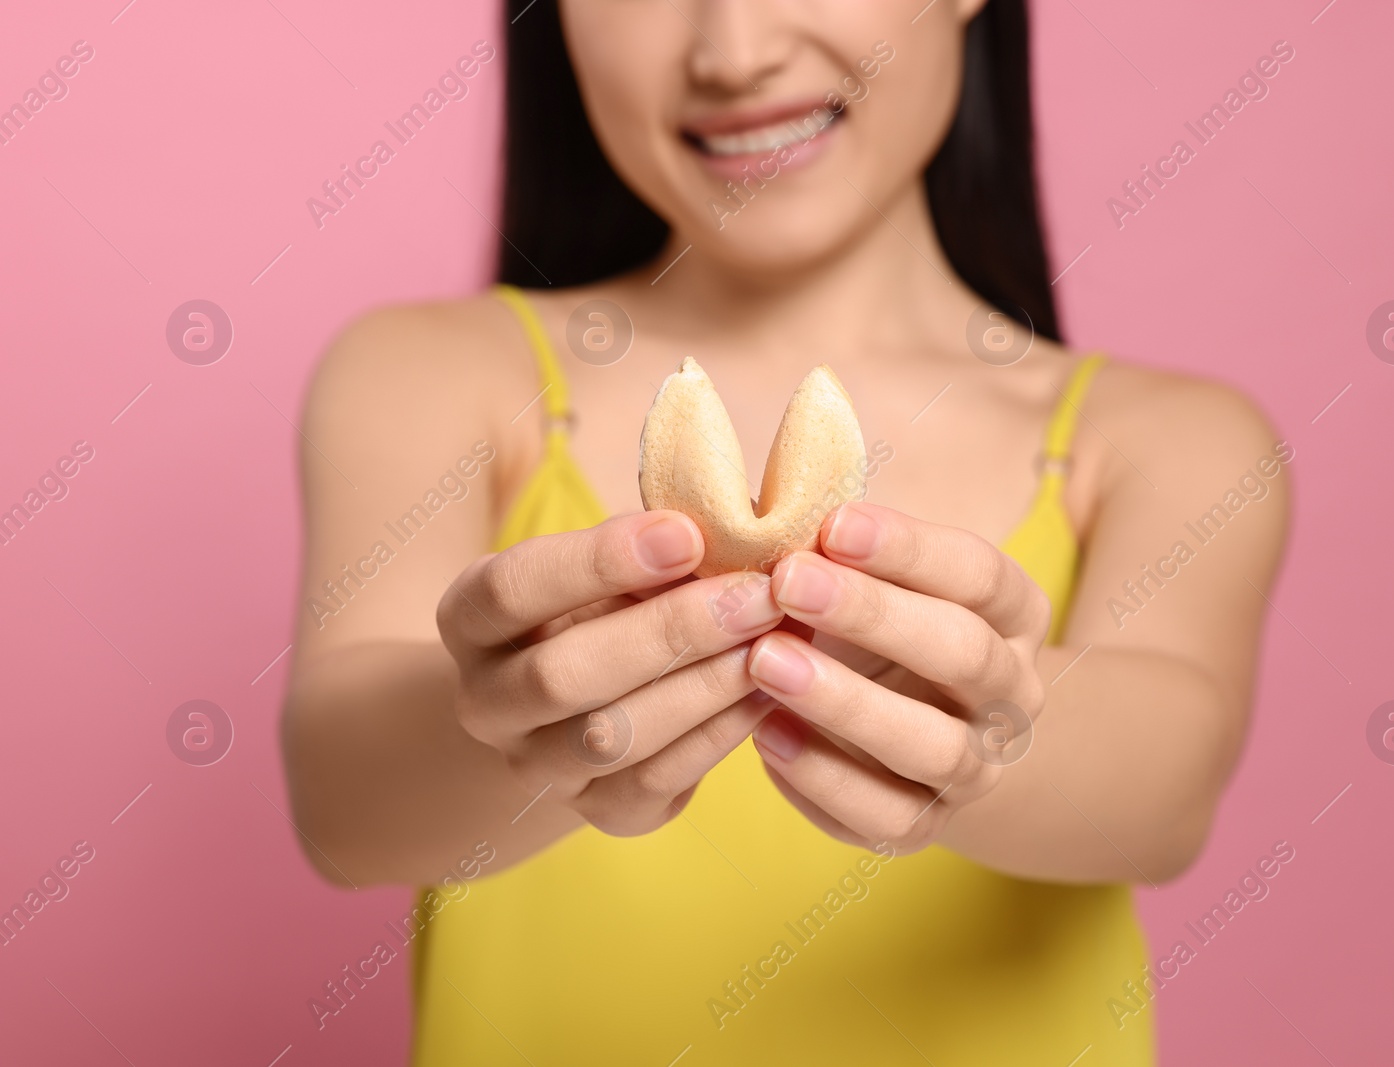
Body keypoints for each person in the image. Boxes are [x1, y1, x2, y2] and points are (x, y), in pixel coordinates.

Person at [282, 1, 1290, 1062]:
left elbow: (1165, 794)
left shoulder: (1167, 442)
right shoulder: (432, 378)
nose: (733, 52)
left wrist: (981, 728)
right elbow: (342, 803)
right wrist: (512, 719)